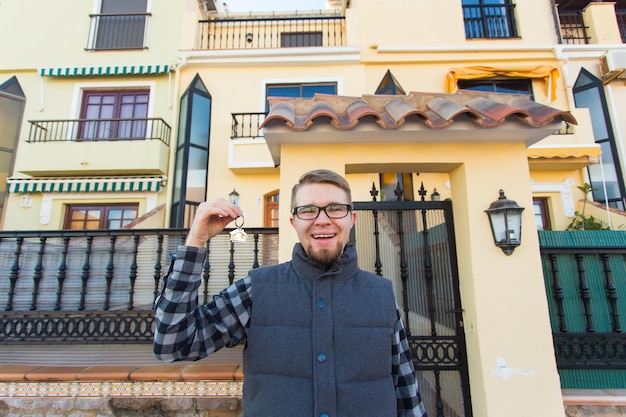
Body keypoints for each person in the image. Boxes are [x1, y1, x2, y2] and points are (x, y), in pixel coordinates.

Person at [153, 169, 427, 417]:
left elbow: (407, 393)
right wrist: (196, 242)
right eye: (308, 210)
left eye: (335, 208)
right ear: (293, 222)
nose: (322, 220)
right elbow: (173, 344)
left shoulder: (381, 294)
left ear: (351, 219)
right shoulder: (256, 290)